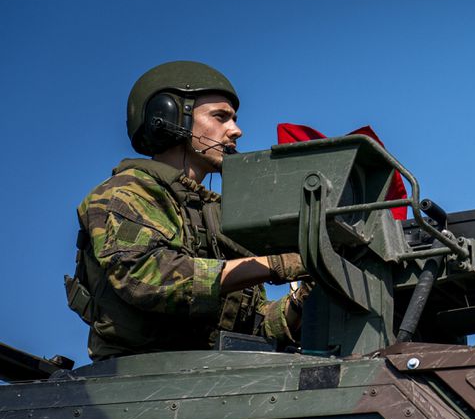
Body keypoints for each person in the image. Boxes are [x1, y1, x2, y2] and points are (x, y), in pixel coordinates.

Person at [66, 61, 308, 360]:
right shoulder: (124, 193)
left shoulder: (217, 214)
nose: (236, 131)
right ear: (167, 117)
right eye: (221, 117)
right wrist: (273, 264)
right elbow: (147, 277)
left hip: (218, 378)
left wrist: (304, 297)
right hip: (144, 378)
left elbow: (255, 327)